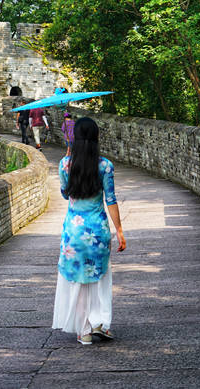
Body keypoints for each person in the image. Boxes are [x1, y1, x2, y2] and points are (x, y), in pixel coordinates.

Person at [52, 117, 126, 345]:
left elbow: (66, 194)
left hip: (73, 231)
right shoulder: (105, 165)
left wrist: (68, 158)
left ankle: (83, 330)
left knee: (78, 281)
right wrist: (120, 230)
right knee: (99, 278)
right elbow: (110, 199)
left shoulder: (65, 164)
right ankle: (99, 324)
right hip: (97, 231)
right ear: (96, 137)